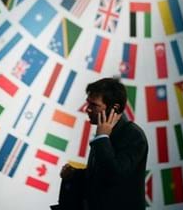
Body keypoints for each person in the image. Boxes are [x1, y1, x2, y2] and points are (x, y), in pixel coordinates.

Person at [54, 77, 148, 210]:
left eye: (94, 105)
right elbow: (100, 176)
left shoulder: (133, 135)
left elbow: (114, 175)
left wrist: (102, 137)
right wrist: (75, 174)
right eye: (88, 103)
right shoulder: (103, 132)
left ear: (115, 108)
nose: (87, 109)